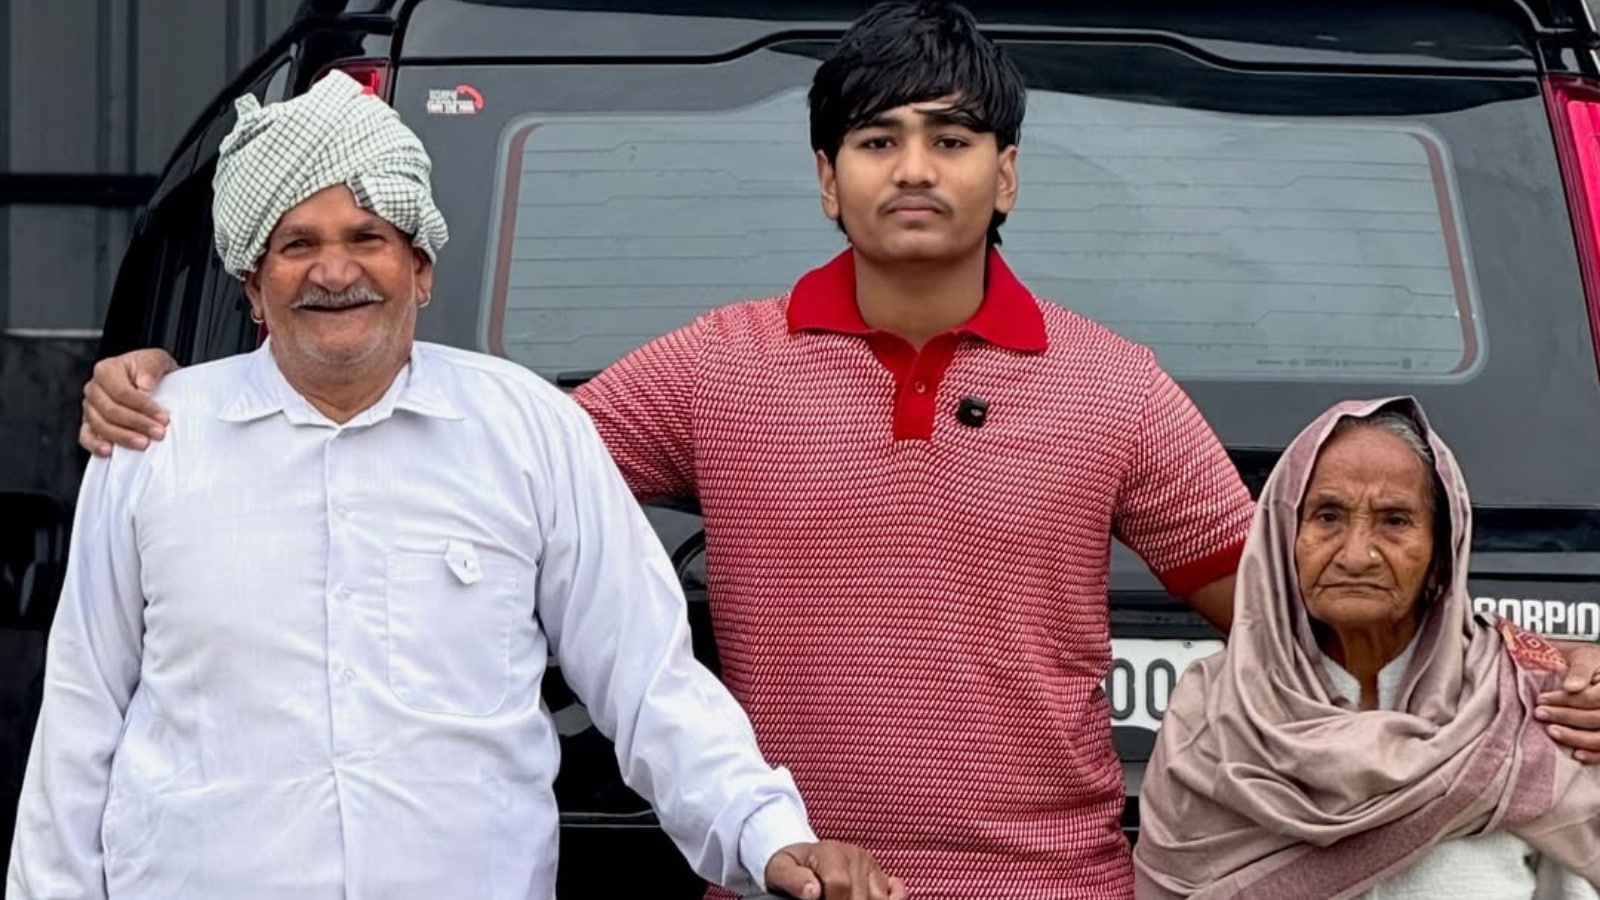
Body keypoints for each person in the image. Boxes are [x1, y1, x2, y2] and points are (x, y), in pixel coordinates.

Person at [73, 2, 1600, 897]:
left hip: (1056, 888)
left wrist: (1533, 672)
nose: (913, 169)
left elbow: (1286, 598)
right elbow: (457, 460)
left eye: (951, 139)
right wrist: (186, 390)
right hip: (789, 882)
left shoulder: (1114, 387)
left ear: (1007, 173)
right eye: (878, 142)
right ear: (826, 180)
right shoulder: (716, 369)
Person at [9, 70, 904, 900]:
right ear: (253, 284)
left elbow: (648, 681)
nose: (333, 272)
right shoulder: (157, 437)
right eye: (297, 245)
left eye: (368, 238)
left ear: (422, 269)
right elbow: (81, 721)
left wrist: (763, 834)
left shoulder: (526, 432)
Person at [1133, 398, 1600, 899]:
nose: (1356, 555)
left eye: (1394, 520)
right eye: (1327, 516)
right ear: (1283, 542)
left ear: (1441, 557)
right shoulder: (1210, 713)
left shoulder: (1528, 704)